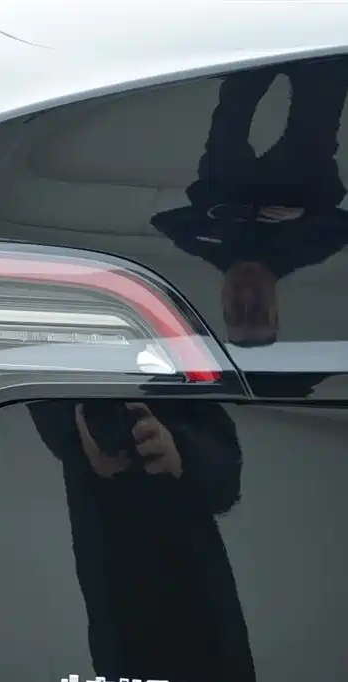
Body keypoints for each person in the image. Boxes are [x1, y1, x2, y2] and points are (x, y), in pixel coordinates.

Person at [29, 400, 255, 682]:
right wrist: (77, 433)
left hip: (194, 603)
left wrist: (179, 452)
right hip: (128, 609)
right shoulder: (56, 395)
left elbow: (225, 478)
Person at [152, 56, 348, 347]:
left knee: (231, 117)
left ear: (223, 305)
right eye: (257, 311)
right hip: (307, 143)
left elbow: (163, 221)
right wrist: (305, 215)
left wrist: (239, 212)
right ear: (276, 310)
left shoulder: (204, 245)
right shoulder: (308, 250)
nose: (247, 297)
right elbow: (343, 225)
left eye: (237, 311)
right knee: (315, 116)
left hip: (250, 68)